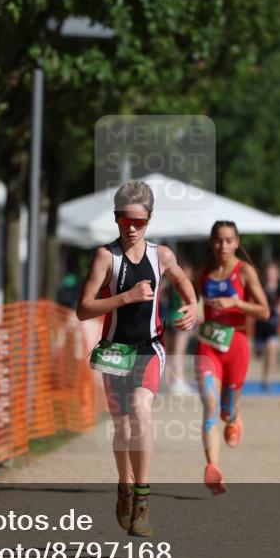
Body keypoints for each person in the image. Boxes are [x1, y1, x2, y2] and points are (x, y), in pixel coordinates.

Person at [77, 181, 196, 537]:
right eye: (125, 220)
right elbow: (83, 309)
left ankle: (142, 501)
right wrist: (125, 297)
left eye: (139, 222)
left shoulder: (161, 256)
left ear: (150, 220)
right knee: (121, 428)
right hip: (114, 351)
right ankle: (124, 486)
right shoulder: (106, 257)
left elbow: (181, 279)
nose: (132, 228)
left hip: (149, 347)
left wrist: (193, 305)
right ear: (116, 219)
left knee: (141, 412)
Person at [194, 221, 270, 495]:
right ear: (211, 243)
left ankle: (234, 417)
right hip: (209, 345)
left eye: (228, 241)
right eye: (218, 241)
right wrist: (186, 313)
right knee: (210, 404)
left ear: (237, 242)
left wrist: (236, 302)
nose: (222, 246)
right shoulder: (203, 273)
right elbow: (189, 302)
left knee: (225, 409)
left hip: (236, 343)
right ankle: (212, 466)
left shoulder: (245, 271)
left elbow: (265, 311)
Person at [165, 258, 198, 394]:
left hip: (170, 319)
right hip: (181, 319)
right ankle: (178, 381)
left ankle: (173, 381)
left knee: (172, 352)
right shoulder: (185, 286)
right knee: (179, 352)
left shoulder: (171, 286)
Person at [253, 261, 280, 391]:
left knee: (271, 351)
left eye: (273, 271)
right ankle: (264, 371)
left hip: (273, 326)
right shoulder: (260, 287)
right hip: (260, 325)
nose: (271, 274)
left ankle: (267, 378)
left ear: (277, 273)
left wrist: (278, 310)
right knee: (259, 353)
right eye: (269, 271)